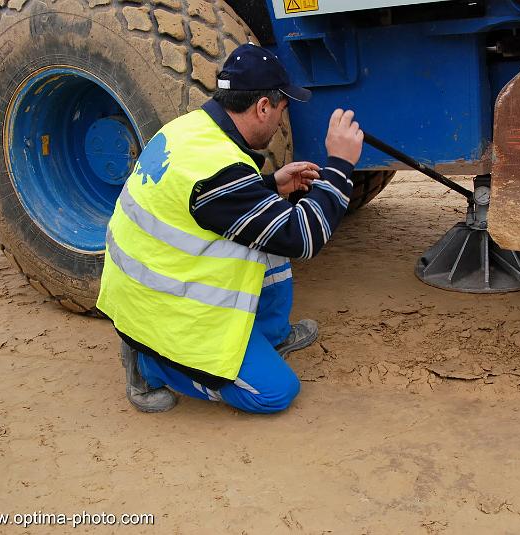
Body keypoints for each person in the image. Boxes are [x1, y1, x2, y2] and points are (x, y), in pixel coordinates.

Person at [97, 43, 363, 414]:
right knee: (275, 392)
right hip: (158, 312)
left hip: (150, 286)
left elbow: (207, 204)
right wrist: (339, 165)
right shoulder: (218, 170)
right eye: (282, 110)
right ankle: (150, 363)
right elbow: (304, 238)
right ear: (263, 107)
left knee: (269, 229)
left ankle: (270, 337)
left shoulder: (192, 129)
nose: (281, 121)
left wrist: (270, 185)